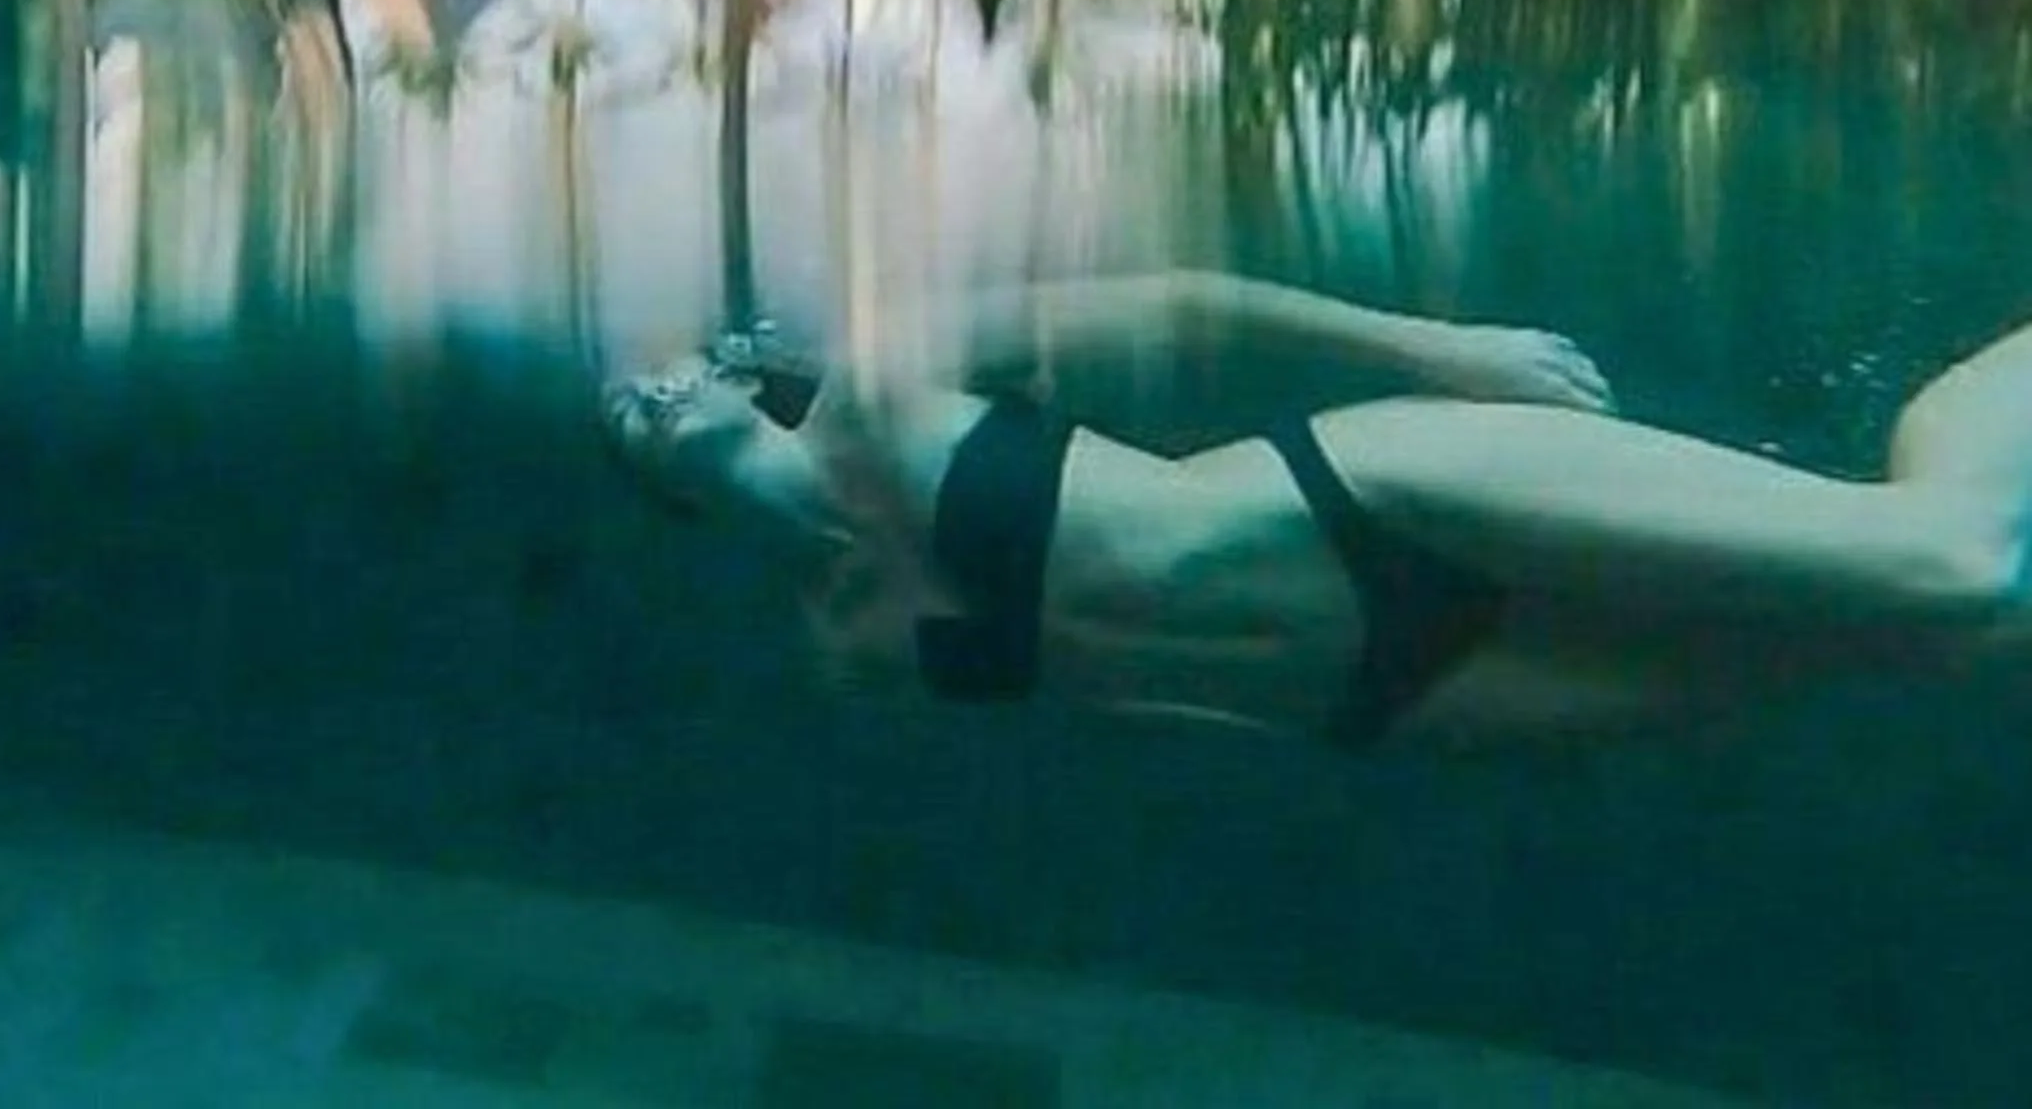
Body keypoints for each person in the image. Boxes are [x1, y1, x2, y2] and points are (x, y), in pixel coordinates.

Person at [603, 275, 2032, 746]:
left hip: (1358, 494)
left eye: (652, 371)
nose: (645, 390)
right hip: (1380, 697)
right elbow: (1116, 710)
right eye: (624, 417)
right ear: (660, 502)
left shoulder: (869, 376)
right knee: (1952, 638)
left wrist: (1441, 353)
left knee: (1949, 563)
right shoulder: (842, 645)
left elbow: (1183, 304)